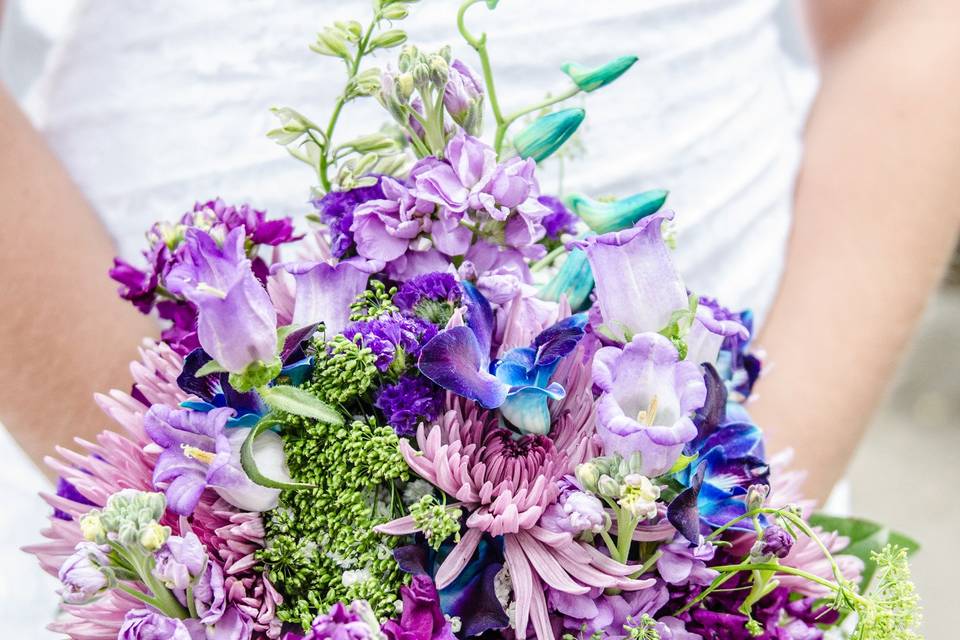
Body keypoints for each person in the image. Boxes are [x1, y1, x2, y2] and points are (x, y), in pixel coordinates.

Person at [1, 0, 959, 508]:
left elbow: (911, 19)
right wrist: (189, 513)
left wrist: (744, 502)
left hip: (740, 374)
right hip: (117, 373)